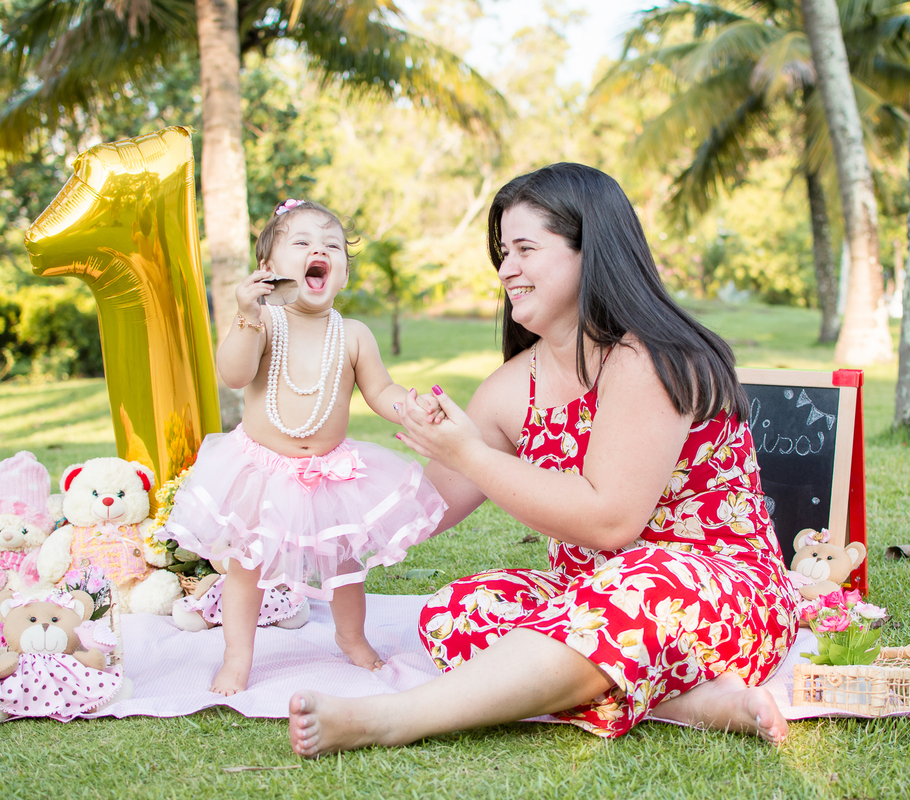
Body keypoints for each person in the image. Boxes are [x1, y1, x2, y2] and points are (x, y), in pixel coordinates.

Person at [286, 164, 801, 755]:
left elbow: (609, 521)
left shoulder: (652, 359)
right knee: (458, 610)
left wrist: (472, 454)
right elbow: (424, 507)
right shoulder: (512, 388)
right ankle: (692, 703)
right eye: (504, 252)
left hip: (714, 588)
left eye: (526, 249)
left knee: (641, 587)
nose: (506, 269)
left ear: (592, 251)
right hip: (589, 597)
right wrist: (310, 506)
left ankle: (395, 719)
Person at [165, 198, 446, 695]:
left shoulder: (354, 335)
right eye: (302, 242)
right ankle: (237, 657)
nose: (320, 249)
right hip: (259, 471)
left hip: (330, 473)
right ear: (268, 271)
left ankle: (352, 637)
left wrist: (410, 405)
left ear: (340, 276)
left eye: (332, 246)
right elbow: (233, 374)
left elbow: (380, 390)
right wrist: (245, 315)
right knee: (246, 569)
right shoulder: (267, 323)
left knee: (345, 567)